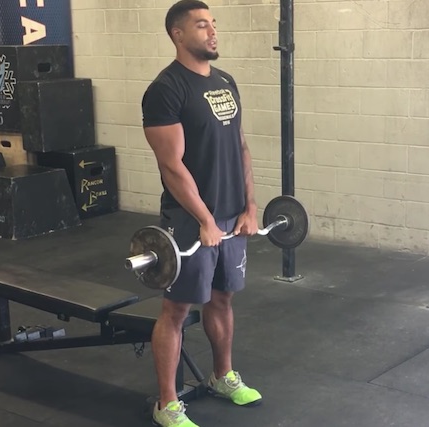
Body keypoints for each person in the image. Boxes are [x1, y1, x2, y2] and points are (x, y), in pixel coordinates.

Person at [140, 1, 262, 426]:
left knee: (223, 297)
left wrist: (249, 205)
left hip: (231, 214)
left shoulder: (226, 82)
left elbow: (240, 148)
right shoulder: (166, 89)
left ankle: (222, 376)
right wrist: (205, 221)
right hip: (190, 220)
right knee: (177, 309)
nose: (212, 32)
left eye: (214, 24)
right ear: (177, 34)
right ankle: (167, 403)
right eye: (201, 25)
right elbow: (171, 166)